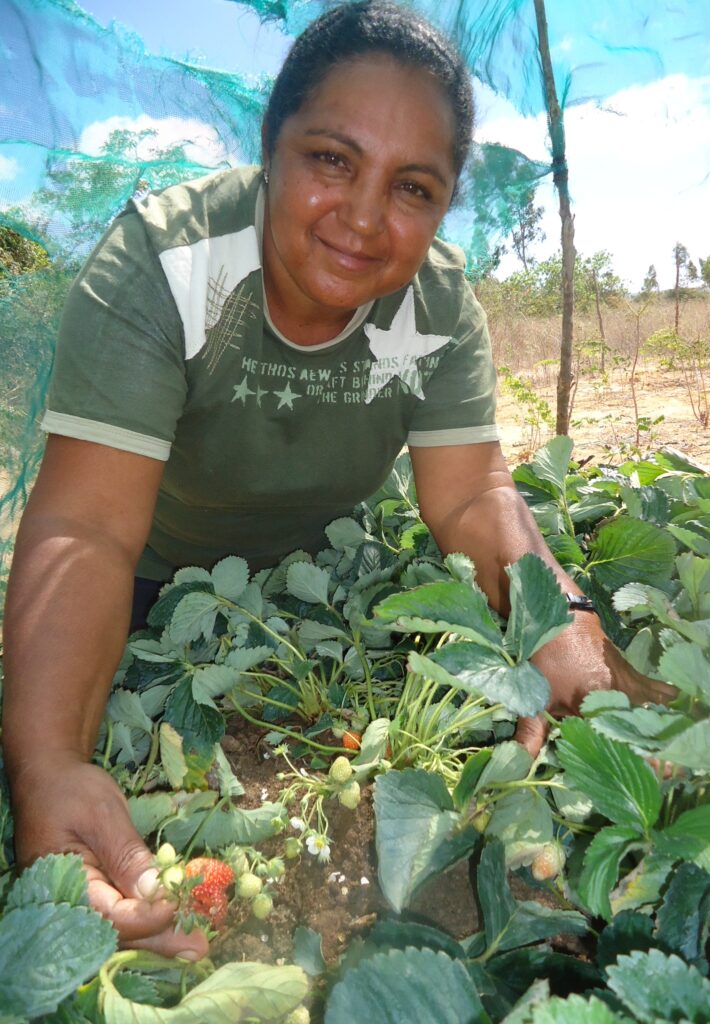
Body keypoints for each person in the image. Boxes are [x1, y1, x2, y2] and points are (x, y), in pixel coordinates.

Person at [1, 0, 662, 960]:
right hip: (146, 584)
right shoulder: (167, 265)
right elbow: (89, 531)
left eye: (413, 187)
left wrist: (564, 628)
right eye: (331, 160)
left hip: (318, 582)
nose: (363, 217)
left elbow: (472, 494)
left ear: (443, 206)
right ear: (270, 147)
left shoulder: (438, 306)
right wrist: (49, 763)